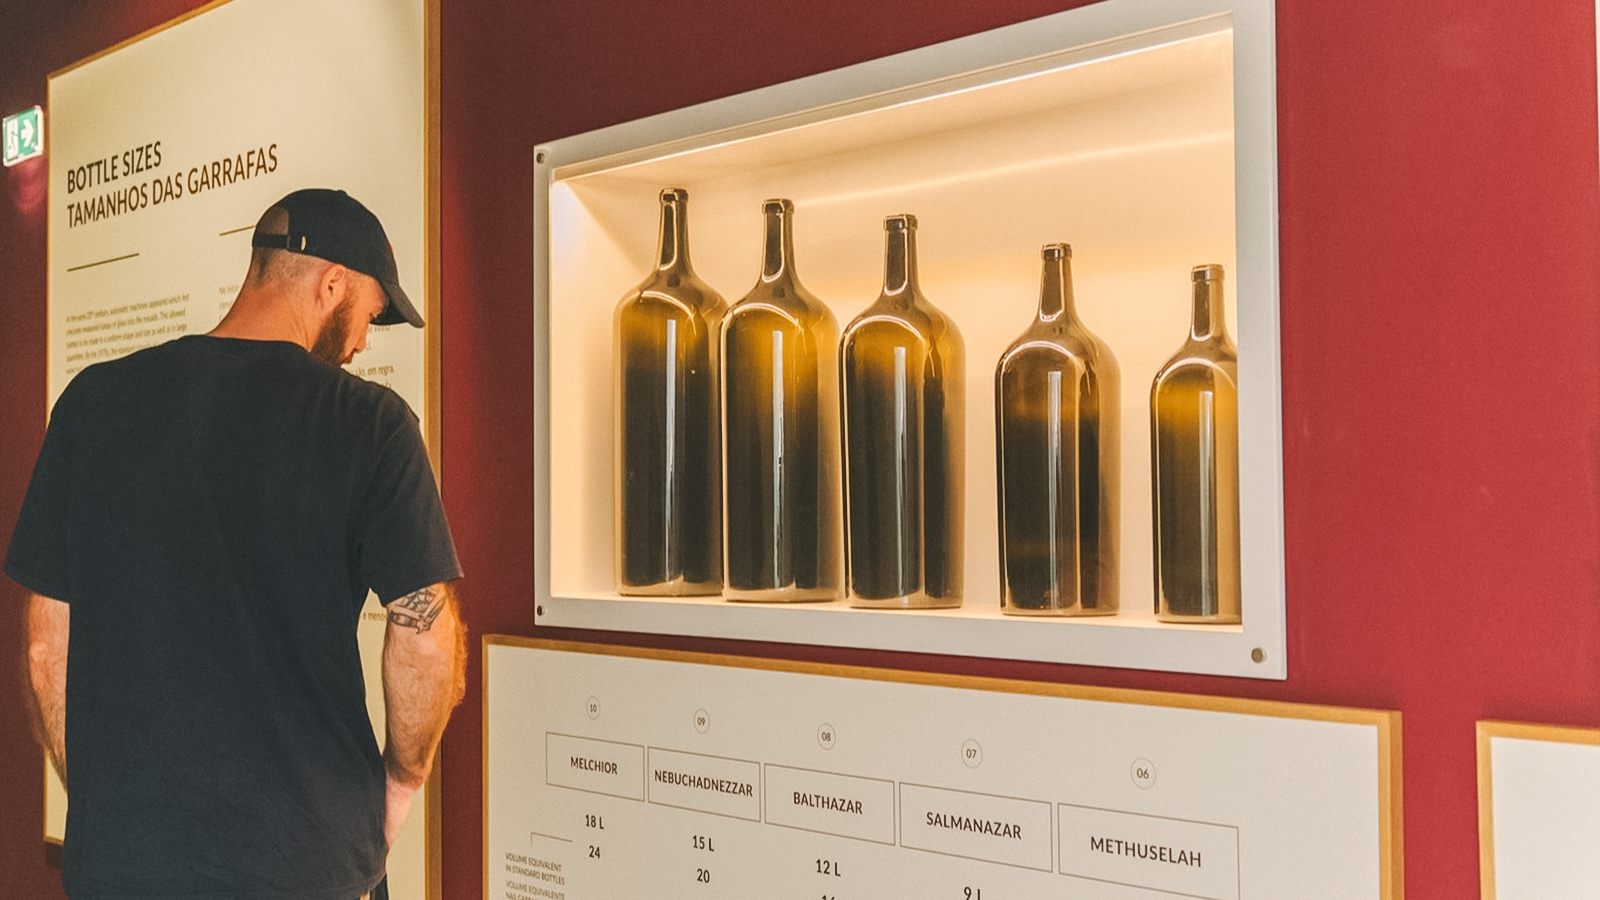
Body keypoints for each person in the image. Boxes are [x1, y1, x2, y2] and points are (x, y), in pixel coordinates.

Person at [7, 188, 466, 900]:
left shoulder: (95, 402)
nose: (364, 342)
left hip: (123, 866)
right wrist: (402, 781)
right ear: (331, 284)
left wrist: (101, 799)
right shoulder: (369, 423)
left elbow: (45, 646)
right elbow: (426, 637)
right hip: (303, 866)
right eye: (371, 315)